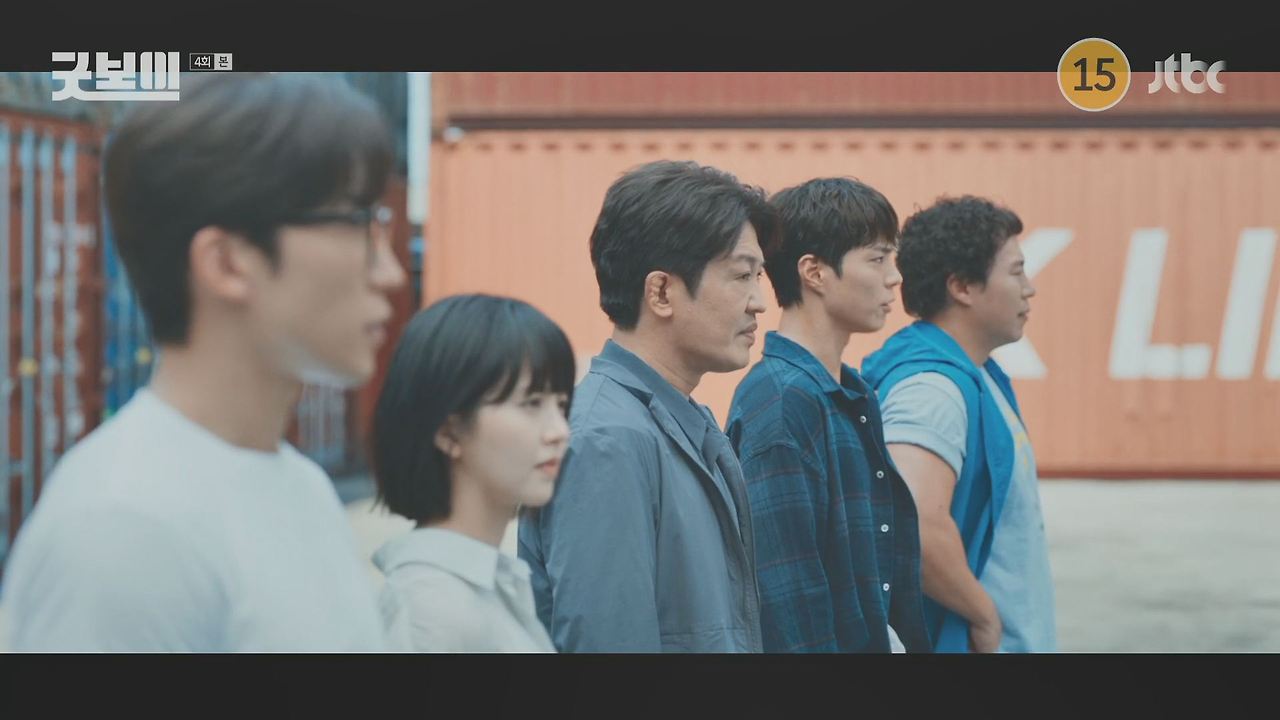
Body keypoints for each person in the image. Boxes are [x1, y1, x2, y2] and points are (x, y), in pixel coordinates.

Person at [2, 73, 406, 651]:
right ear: (227, 262)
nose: (391, 273)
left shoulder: (302, 486)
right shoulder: (121, 532)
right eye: (359, 224)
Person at [518, 160, 776, 652]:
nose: (759, 302)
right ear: (660, 292)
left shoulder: (680, 424)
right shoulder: (609, 441)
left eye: (759, 276)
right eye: (743, 275)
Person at [727, 177, 930, 653]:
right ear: (814, 272)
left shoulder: (851, 393)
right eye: (877, 259)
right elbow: (789, 603)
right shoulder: (782, 404)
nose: (894, 277)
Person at [861, 195, 1057, 653]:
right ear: (963, 287)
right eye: (1016, 272)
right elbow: (917, 524)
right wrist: (984, 616)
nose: (1029, 289)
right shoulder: (932, 389)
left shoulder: (977, 373)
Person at [370, 294, 573, 652]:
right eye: (531, 403)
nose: (560, 431)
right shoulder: (430, 613)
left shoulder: (490, 583)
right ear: (448, 432)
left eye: (561, 405)